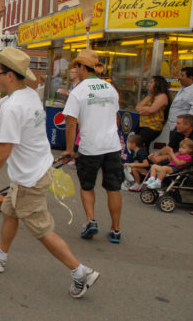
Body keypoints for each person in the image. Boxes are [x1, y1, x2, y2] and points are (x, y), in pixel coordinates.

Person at [0, 47, 98, 299]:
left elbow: (4, 149)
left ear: (10, 75)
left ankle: (81, 272)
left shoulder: (15, 106)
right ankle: (1, 255)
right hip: (32, 170)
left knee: (42, 230)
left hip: (30, 178)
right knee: (9, 211)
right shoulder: (26, 94)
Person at [60, 49, 123, 244]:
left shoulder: (78, 91)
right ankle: (116, 229)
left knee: (87, 186)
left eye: (76, 67)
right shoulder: (110, 88)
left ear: (81, 67)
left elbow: (70, 123)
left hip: (90, 146)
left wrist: (70, 150)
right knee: (113, 188)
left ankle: (91, 221)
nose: (74, 71)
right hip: (112, 146)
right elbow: (116, 117)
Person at [135, 76, 171, 150]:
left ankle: (145, 161)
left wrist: (145, 110)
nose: (149, 84)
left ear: (158, 84)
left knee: (139, 146)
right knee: (141, 147)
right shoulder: (151, 95)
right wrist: (146, 110)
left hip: (152, 127)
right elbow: (138, 107)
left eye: (151, 82)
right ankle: (143, 160)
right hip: (142, 125)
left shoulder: (162, 96)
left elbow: (152, 110)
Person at [166, 67, 193, 134]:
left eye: (182, 75)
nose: (179, 77)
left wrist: (185, 124)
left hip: (183, 128)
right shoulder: (183, 86)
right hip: (175, 126)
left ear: (191, 78)